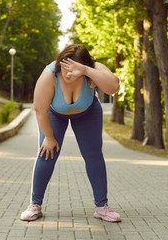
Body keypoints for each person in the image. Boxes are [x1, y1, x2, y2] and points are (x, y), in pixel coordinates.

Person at [20, 44, 121, 222]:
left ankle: (101, 207)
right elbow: (39, 110)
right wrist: (49, 138)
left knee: (94, 156)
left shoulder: (92, 70)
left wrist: (85, 70)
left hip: (87, 113)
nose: (68, 74)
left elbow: (113, 87)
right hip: (54, 114)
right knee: (46, 153)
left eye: (73, 70)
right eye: (65, 68)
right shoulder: (50, 74)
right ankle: (34, 205)